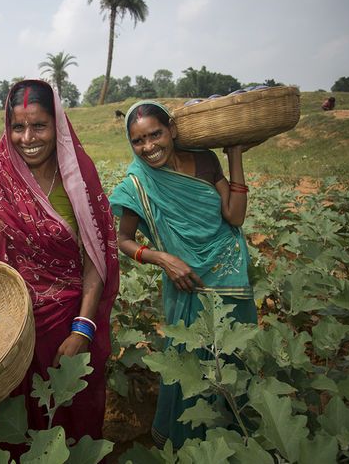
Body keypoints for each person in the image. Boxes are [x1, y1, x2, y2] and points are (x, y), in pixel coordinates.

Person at [0, 79, 120, 447]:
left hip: (65, 325)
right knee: (14, 426)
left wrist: (83, 330)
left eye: (39, 126)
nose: (28, 137)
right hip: (9, 327)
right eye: (18, 126)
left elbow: (95, 259)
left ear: (57, 125)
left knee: (70, 417)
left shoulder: (77, 179)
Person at [109, 100, 258, 449]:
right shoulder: (137, 184)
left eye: (155, 134)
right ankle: (194, 446)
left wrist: (234, 154)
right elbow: (122, 240)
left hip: (228, 271)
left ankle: (236, 443)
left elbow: (234, 217)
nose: (148, 147)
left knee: (231, 356)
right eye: (138, 141)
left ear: (172, 130)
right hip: (185, 281)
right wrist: (163, 259)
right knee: (191, 365)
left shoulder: (205, 160)